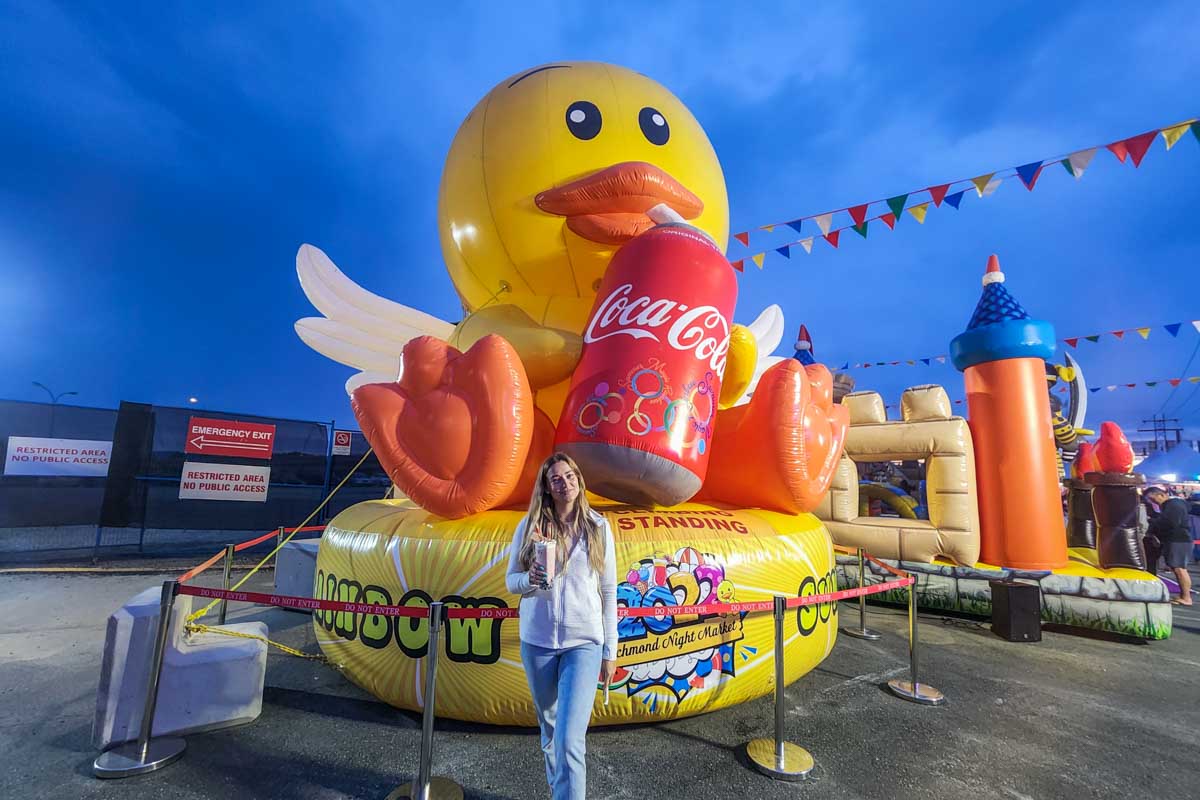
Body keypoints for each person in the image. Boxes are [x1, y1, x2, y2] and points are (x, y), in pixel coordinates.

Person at [506, 453, 618, 799]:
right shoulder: (530, 528)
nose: (565, 483)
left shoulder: (598, 527)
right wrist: (532, 581)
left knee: (570, 738)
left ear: (579, 481)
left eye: (570, 476)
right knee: (551, 730)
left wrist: (610, 649)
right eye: (556, 479)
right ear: (547, 488)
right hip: (538, 641)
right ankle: (561, 791)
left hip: (583, 643)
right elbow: (511, 581)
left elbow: (609, 590)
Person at [1145, 486, 1193, 606]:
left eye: (1153, 499)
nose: (1153, 502)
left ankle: (1186, 597)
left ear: (1161, 495)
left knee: (1179, 569)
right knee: (1178, 568)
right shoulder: (1174, 505)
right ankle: (1184, 596)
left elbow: (1170, 522)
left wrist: (1153, 521)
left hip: (1178, 540)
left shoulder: (1173, 505)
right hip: (1178, 540)